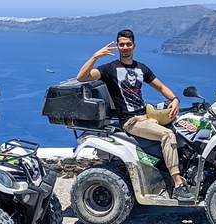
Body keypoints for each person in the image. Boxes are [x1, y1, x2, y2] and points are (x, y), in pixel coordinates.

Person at [76, 29, 195, 201]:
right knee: (167, 135)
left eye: (128, 44)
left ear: (134, 46)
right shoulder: (110, 69)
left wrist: (175, 99)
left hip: (146, 116)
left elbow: (161, 87)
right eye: (122, 44)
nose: (125, 47)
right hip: (131, 121)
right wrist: (96, 56)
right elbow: (82, 77)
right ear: (117, 46)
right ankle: (178, 184)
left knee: (183, 129)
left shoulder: (141, 68)